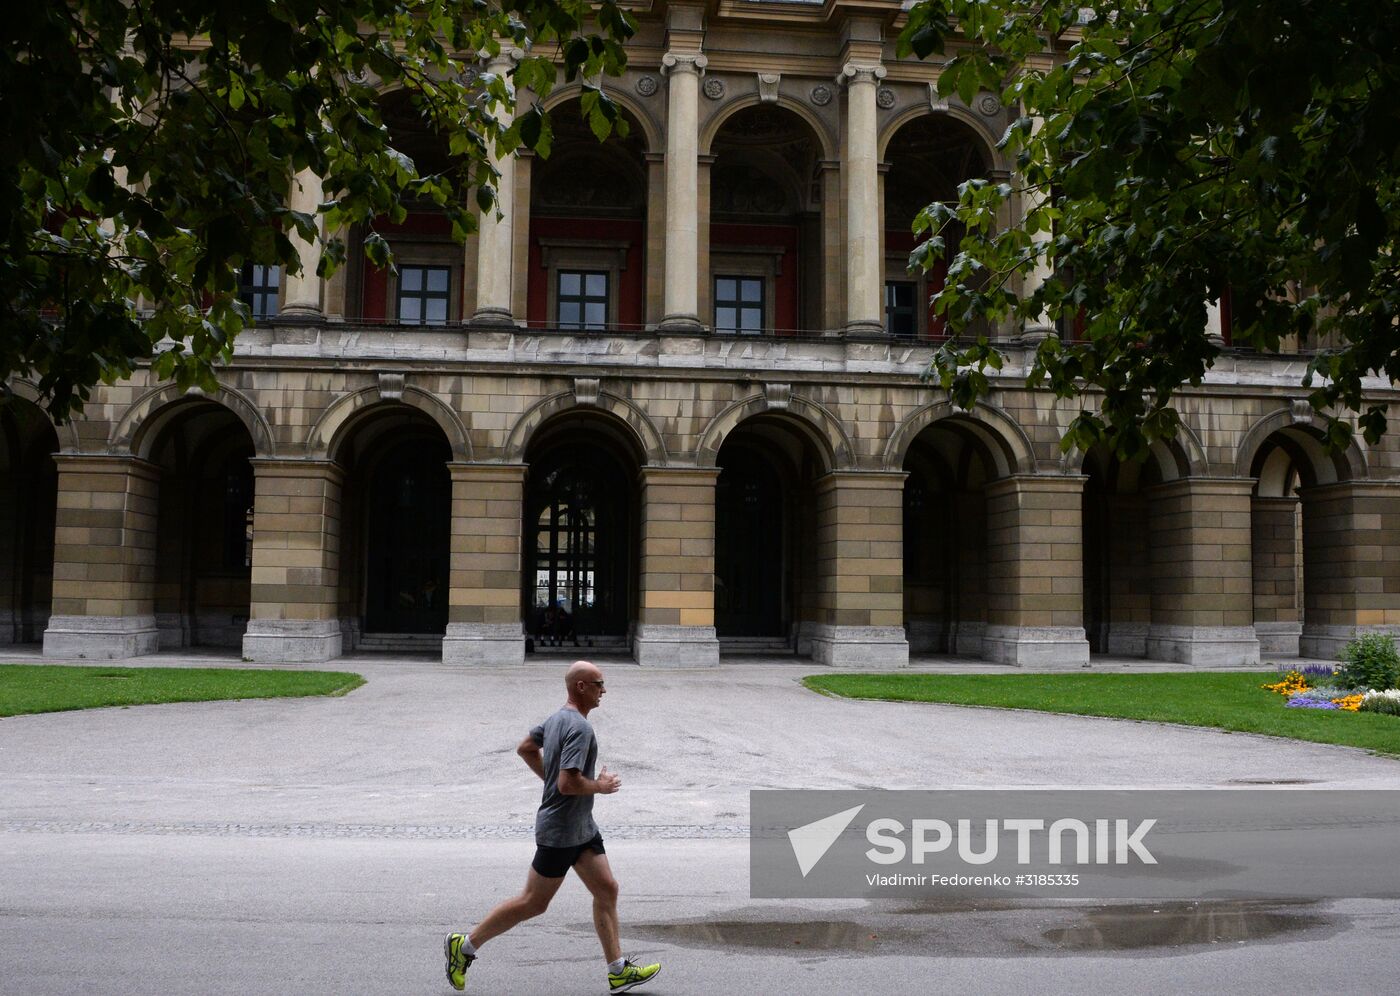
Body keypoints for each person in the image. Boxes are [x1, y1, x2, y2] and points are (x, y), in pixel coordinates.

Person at [444, 660, 661, 993]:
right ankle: (464, 946)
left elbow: (526, 748)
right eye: (599, 683)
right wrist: (599, 787)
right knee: (533, 902)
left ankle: (618, 970)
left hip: (582, 828)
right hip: (560, 831)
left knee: (607, 889)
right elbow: (567, 784)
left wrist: (551, 778)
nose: (604, 690)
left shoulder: (557, 718)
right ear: (581, 687)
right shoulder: (580, 728)